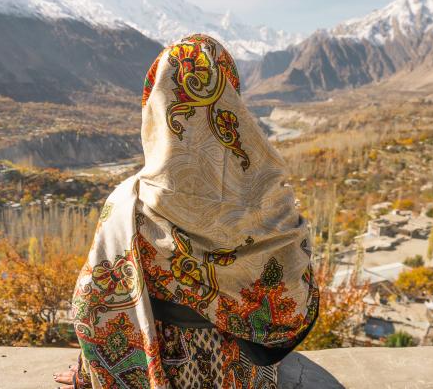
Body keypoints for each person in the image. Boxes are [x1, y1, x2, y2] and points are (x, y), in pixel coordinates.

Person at [55, 34, 318, 389]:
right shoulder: (273, 198)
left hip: (164, 370)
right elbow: (294, 292)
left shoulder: (129, 204)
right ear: (231, 97)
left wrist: (89, 373)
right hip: (246, 371)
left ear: (157, 102)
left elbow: (96, 303)